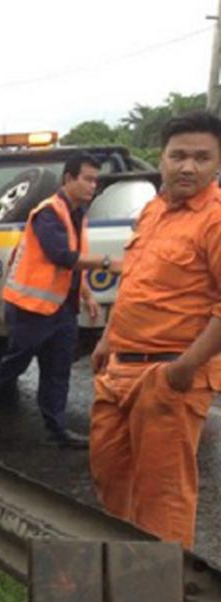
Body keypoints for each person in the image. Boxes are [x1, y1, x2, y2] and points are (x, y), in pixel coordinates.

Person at [90, 111, 221, 550]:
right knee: (110, 478)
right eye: (178, 155)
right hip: (120, 368)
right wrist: (108, 338)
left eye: (201, 158)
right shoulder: (153, 211)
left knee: (161, 499)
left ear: (217, 163)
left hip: (168, 375)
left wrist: (184, 368)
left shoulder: (216, 220)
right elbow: (136, 281)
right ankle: (125, 579)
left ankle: (160, 601)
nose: (188, 166)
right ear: (161, 159)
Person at [0, 154, 117, 447]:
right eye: (88, 179)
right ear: (69, 179)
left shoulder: (78, 214)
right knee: (14, 365)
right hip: (31, 307)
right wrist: (108, 263)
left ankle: (57, 430)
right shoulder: (49, 212)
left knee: (58, 370)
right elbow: (62, 257)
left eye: (96, 180)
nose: (94, 186)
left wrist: (86, 294)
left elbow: (73, 259)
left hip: (62, 309)